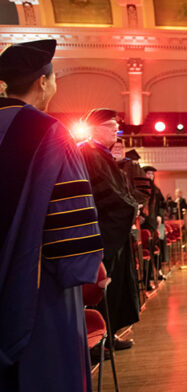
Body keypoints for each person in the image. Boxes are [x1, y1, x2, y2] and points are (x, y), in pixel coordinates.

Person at [0, 39, 103, 392]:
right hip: (39, 286)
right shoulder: (50, 132)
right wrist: (84, 269)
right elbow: (70, 217)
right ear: (43, 82)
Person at [78, 109, 140, 350]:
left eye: (116, 125)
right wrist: (132, 208)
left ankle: (108, 335)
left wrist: (131, 206)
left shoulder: (102, 156)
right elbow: (108, 195)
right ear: (94, 129)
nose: (116, 128)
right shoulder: (90, 154)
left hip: (113, 231)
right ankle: (98, 342)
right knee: (104, 285)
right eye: (110, 125)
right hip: (103, 233)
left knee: (114, 286)